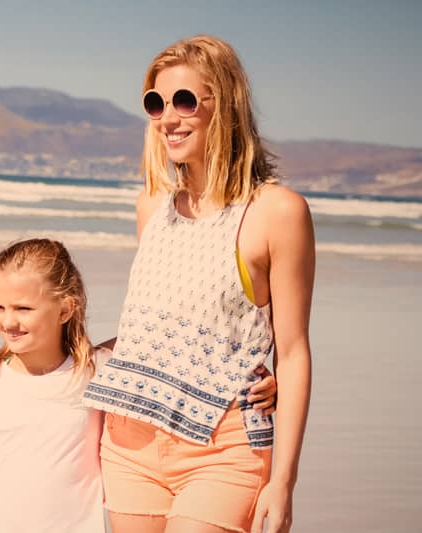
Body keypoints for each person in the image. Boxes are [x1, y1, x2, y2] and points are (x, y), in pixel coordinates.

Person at [79, 35, 315, 533]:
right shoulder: (152, 207)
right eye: (156, 103)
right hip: (130, 441)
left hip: (223, 449)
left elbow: (292, 352)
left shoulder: (276, 212)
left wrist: (284, 481)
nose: (168, 117)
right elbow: (160, 326)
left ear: (224, 104)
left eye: (185, 100)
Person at [0, 239, 278, 533]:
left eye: (23, 308)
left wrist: (253, 375)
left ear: (65, 309)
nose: (9, 320)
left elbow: (171, 342)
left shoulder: (98, 371)